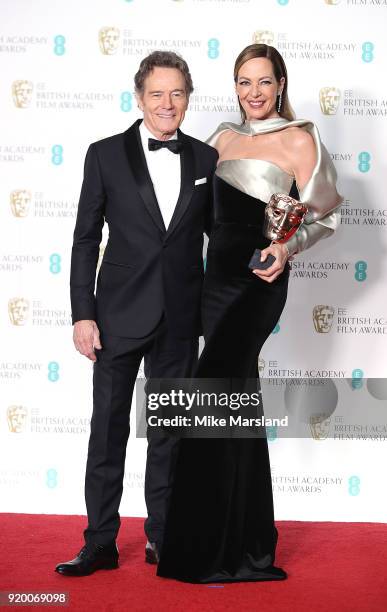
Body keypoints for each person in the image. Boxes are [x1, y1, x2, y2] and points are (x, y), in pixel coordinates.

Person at [157, 43, 342, 583]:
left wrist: (287, 248)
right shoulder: (219, 138)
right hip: (214, 283)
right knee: (233, 399)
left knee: (215, 392)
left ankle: (213, 549)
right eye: (244, 82)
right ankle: (246, 545)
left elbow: (325, 217)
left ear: (280, 83)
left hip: (260, 280)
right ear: (234, 87)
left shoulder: (300, 138)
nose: (253, 93)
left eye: (263, 81)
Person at [55, 51, 218, 576]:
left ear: (188, 98)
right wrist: (83, 313)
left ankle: (161, 536)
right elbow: (85, 240)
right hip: (117, 316)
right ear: (139, 97)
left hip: (179, 317)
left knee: (169, 432)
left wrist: (273, 249)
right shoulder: (104, 154)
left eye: (177, 94)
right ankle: (100, 541)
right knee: (107, 431)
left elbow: (222, 238)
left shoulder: (205, 160)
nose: (167, 104)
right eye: (157, 94)